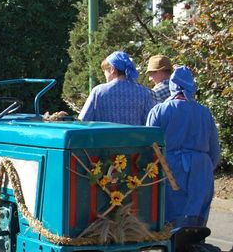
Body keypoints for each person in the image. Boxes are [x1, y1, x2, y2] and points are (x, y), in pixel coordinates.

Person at [146, 66, 221, 227]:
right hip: (201, 168)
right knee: (197, 218)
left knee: (171, 217)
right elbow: (214, 149)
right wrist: (207, 167)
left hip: (170, 168)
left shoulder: (159, 110)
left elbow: (149, 146)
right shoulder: (204, 112)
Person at [78, 51, 154, 125]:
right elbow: (150, 123)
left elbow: (83, 121)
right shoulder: (144, 93)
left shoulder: (98, 92)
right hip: (135, 134)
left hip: (105, 134)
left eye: (105, 71)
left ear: (112, 70)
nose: (104, 74)